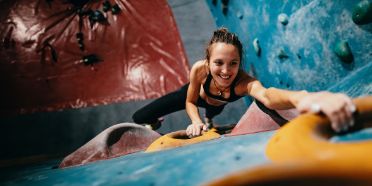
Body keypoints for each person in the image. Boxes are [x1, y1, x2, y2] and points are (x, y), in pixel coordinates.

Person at [132, 28, 355, 138]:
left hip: (215, 104)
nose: (226, 71)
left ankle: (209, 118)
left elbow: (268, 96)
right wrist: (195, 121)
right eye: (218, 63)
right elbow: (190, 101)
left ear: (240, 63)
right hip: (192, 95)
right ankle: (177, 119)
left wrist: (303, 97)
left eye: (233, 63)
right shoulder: (199, 69)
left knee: (213, 113)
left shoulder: (242, 84)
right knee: (140, 117)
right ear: (208, 62)